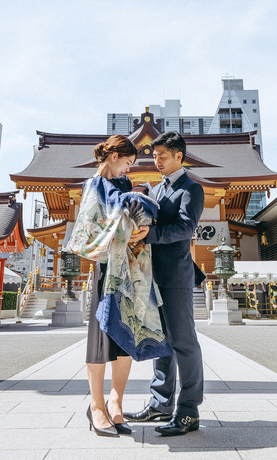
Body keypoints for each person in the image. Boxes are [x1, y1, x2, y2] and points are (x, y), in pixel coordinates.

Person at [64, 135, 167, 437]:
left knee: (125, 340)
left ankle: (116, 403)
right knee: (100, 341)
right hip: (106, 270)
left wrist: (142, 229)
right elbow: (90, 228)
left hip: (130, 272)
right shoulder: (91, 186)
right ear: (112, 157)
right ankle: (96, 406)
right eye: (127, 162)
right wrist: (121, 229)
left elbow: (133, 216)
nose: (128, 169)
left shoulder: (125, 187)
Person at [125, 131, 206, 436]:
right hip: (151, 277)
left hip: (175, 278)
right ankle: (161, 404)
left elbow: (186, 228)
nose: (156, 160)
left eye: (162, 156)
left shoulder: (191, 189)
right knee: (161, 342)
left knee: (183, 343)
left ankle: (188, 411)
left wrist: (150, 234)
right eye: (154, 156)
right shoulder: (156, 190)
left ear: (179, 157)